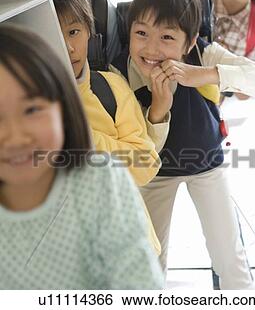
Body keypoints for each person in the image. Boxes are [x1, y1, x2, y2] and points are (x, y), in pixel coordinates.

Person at [111, 0, 255, 290]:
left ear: (189, 41)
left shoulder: (204, 54)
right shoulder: (119, 71)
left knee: (229, 259)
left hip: (207, 166)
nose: (151, 48)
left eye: (167, 37)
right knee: (149, 263)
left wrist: (207, 74)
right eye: (141, 33)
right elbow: (139, 148)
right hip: (153, 174)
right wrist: (158, 108)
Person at [0, 24, 164, 290]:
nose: (16, 136)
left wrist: (86, 136)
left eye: (31, 110)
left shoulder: (101, 181)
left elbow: (137, 283)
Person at [48, 0, 161, 188]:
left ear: (89, 31)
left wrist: (83, 138)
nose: (68, 48)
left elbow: (146, 165)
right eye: (52, 36)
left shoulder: (111, 86)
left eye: (73, 32)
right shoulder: (21, 105)